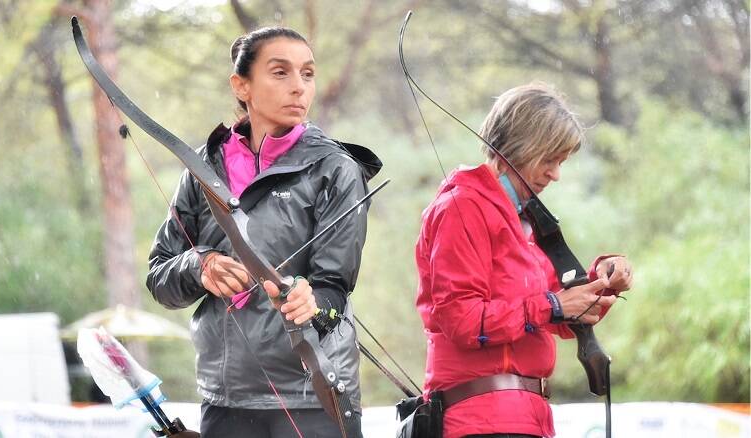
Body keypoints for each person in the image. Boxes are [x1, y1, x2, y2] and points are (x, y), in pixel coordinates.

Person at [147, 26, 381, 437]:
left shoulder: (337, 168)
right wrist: (199, 265)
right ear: (242, 86)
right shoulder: (203, 168)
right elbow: (160, 277)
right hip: (226, 400)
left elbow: (333, 288)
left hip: (316, 398)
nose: (299, 88)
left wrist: (312, 304)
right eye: (280, 73)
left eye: (307, 74)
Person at [414, 83, 633, 438]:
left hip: (527, 417)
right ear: (519, 148)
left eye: (560, 162)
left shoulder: (523, 220)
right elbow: (462, 319)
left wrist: (600, 282)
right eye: (549, 159)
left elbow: (561, 317)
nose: (555, 174)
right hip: (482, 420)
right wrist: (552, 306)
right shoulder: (462, 206)